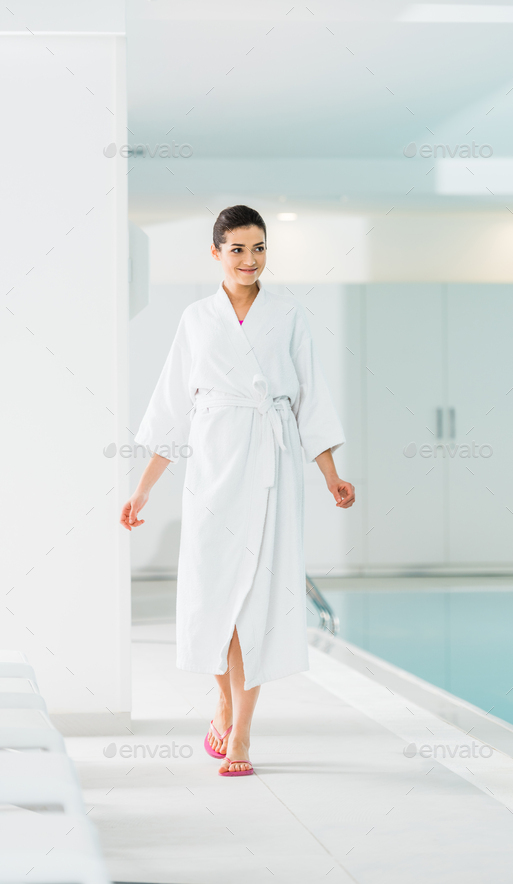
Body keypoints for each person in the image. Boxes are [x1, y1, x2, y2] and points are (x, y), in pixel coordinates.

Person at [120, 205, 355, 777]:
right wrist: (144, 489)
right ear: (216, 253)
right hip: (213, 466)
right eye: (238, 250)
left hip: (272, 465)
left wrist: (330, 474)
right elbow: (171, 408)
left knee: (259, 598)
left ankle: (243, 730)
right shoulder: (197, 319)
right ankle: (222, 700)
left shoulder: (289, 315)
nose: (250, 261)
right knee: (214, 594)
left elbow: (312, 401)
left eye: (259, 249)